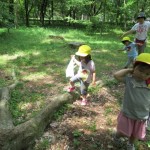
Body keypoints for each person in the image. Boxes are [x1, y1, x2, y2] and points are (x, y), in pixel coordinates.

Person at [113, 53, 150, 150]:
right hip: (128, 113)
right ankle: (117, 137)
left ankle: (130, 144)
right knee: (122, 131)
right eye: (140, 71)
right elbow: (116, 75)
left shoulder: (148, 84)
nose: (143, 75)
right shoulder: (129, 80)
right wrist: (129, 70)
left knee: (135, 133)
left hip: (141, 115)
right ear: (135, 68)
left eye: (147, 74)